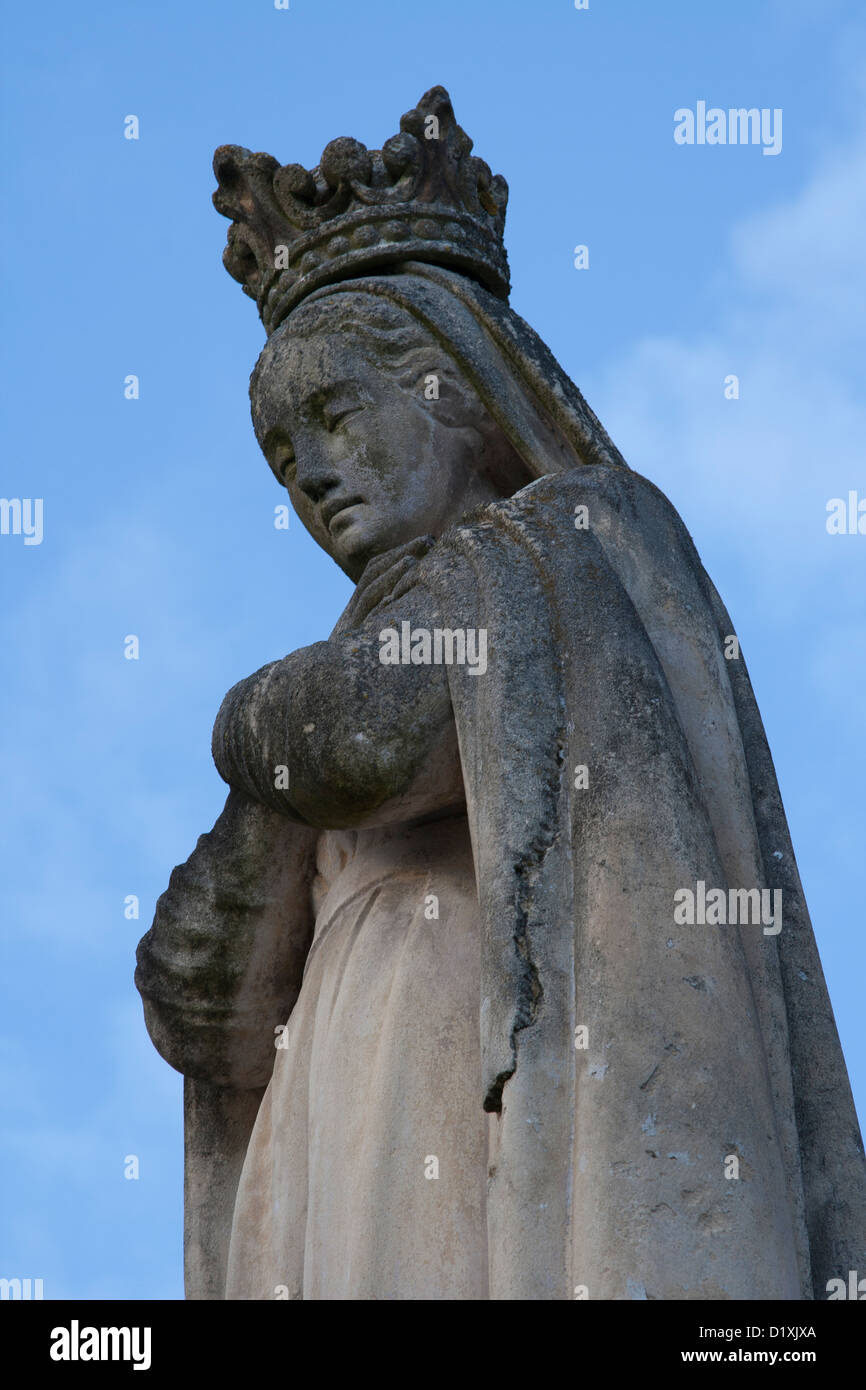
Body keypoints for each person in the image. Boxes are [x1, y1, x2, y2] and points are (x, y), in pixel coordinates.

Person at [136, 88, 866, 1300]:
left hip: (469, 1062)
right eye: (281, 456)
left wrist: (246, 727)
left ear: (454, 393)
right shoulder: (354, 646)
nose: (311, 473)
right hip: (332, 1091)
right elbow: (205, 1011)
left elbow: (375, 735)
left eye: (330, 416)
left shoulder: (572, 544)